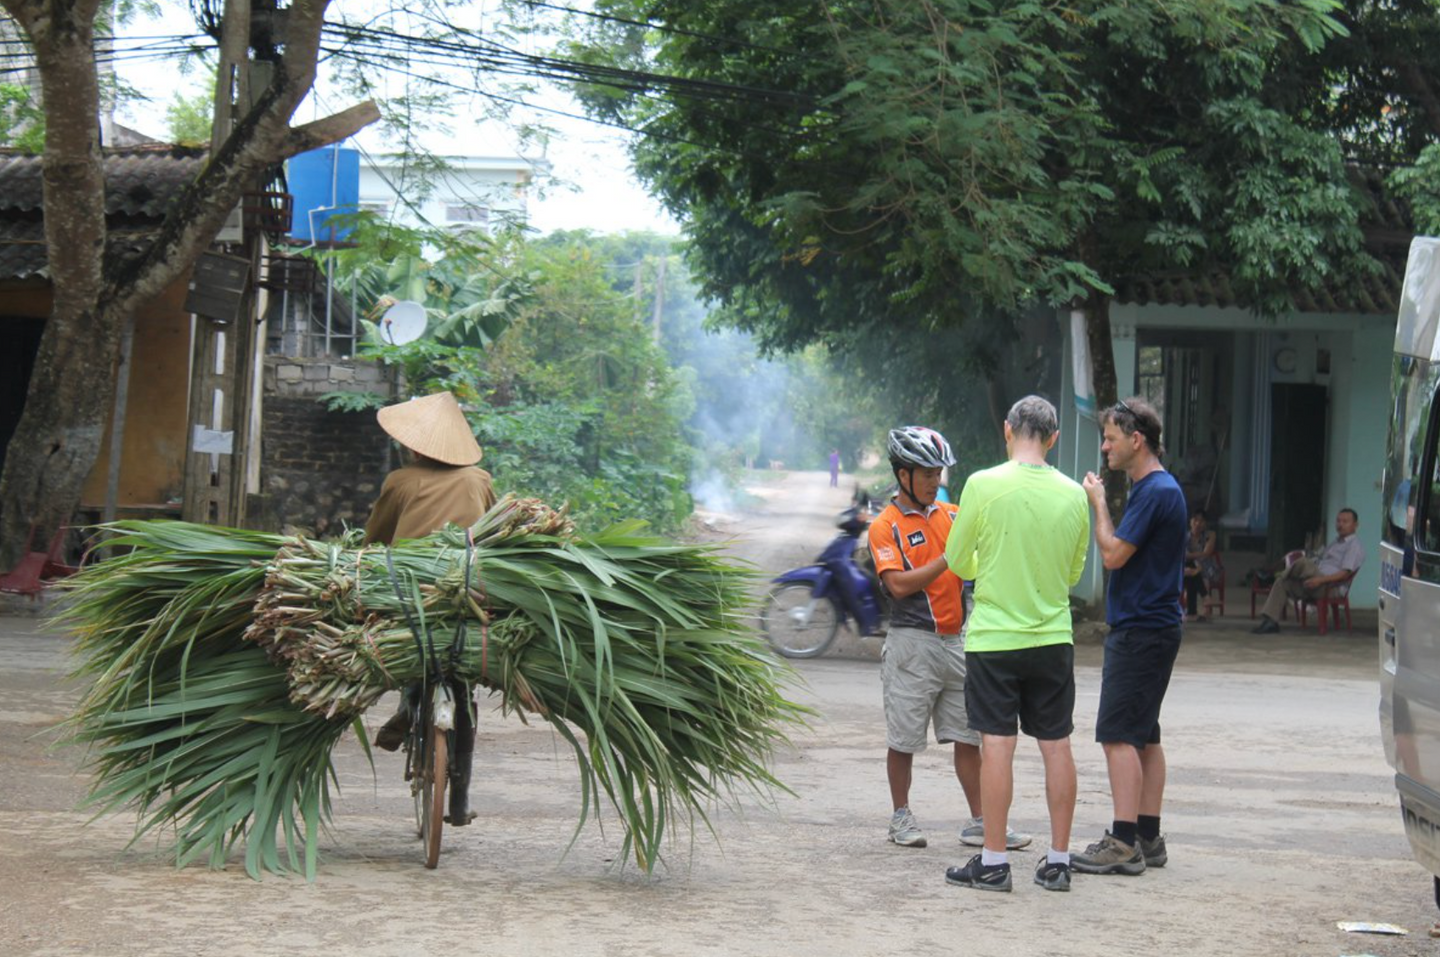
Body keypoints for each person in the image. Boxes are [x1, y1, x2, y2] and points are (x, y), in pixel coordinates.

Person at [941, 396, 1090, 893]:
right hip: (1052, 638)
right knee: (1057, 747)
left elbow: (958, 562)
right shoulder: (1074, 495)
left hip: (994, 639)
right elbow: (1073, 572)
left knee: (997, 747)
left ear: (1008, 430)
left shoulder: (983, 485)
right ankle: (1060, 860)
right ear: (1053, 438)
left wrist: (995, 571)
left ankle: (994, 861)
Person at [867, 425, 1029, 853]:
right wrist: (948, 559)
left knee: (968, 737)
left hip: (957, 642)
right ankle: (900, 816)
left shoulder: (955, 514)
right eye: (925, 473)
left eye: (938, 472)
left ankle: (981, 821)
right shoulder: (885, 526)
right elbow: (897, 585)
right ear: (903, 475)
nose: (935, 480)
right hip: (910, 644)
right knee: (903, 740)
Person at [364, 391, 497, 827]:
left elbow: (376, 539)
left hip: (409, 594)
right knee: (463, 694)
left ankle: (408, 707)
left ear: (416, 445)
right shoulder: (479, 480)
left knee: (413, 645)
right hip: (468, 597)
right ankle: (459, 802)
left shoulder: (400, 482)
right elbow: (496, 538)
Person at [1075, 396, 1188, 876]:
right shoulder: (1157, 488)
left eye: (1111, 438)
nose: (1105, 447)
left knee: (1119, 736)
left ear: (1136, 440)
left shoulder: (1156, 490)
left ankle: (1123, 840)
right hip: (1154, 626)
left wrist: (1098, 503)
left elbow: (1113, 555)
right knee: (1144, 736)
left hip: (1141, 629)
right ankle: (1148, 833)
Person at [1251, 509, 1365, 634]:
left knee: (1303, 562)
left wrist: (1319, 580)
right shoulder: (1336, 542)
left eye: (1345, 521)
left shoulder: (1354, 546)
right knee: (1282, 583)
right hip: (1315, 582)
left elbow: (1345, 573)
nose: (1340, 524)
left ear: (1355, 525)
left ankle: (1271, 576)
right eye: (1338, 521)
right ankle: (1270, 622)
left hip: (1330, 587)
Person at [1182, 510, 1220, 621]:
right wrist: (1196, 559)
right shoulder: (1184, 537)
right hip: (1192, 569)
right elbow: (1182, 556)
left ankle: (1192, 612)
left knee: (1192, 572)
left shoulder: (1210, 535)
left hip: (1208, 568)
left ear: (1205, 523)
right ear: (1190, 522)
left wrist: (1191, 556)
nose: (1198, 524)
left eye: (1201, 521)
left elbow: (1207, 553)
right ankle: (1205, 598)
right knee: (1192, 572)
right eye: (1195, 520)